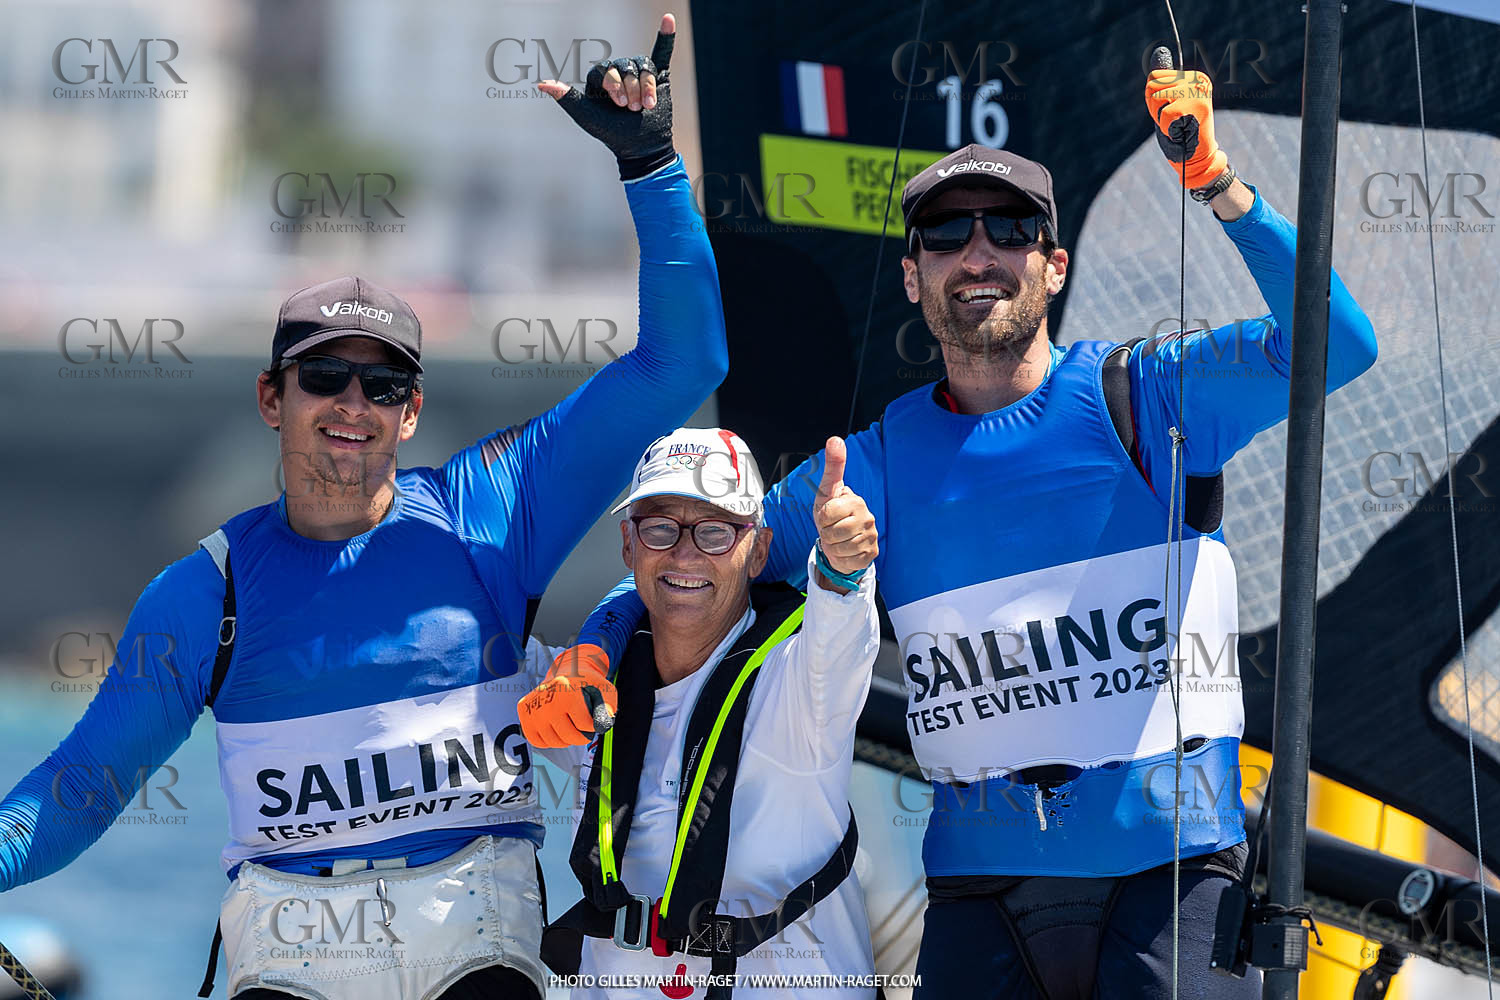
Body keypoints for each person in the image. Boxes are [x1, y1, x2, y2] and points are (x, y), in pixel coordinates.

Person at [556, 65, 1379, 998]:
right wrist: (593, 644)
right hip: (979, 894)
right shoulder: (867, 466)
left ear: (1054, 265)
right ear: (913, 277)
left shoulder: (1149, 395)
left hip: (1172, 878)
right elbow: (692, 563)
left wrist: (1215, 182)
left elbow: (1339, 344)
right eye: (946, 235)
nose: (979, 253)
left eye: (1012, 229)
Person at [0, 15, 726, 999]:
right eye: (326, 378)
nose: (354, 405)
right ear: (272, 398)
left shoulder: (492, 512)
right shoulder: (201, 594)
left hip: (474, 938)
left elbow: (683, 362)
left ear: (413, 411)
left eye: (383, 387)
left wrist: (648, 163)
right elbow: (78, 790)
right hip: (292, 957)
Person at [518, 428, 881, 999]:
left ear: (758, 549)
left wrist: (842, 569)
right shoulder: (588, 689)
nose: (684, 554)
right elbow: (452, 658)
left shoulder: (802, 681)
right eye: (660, 528)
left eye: (715, 532)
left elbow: (841, 633)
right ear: (628, 545)